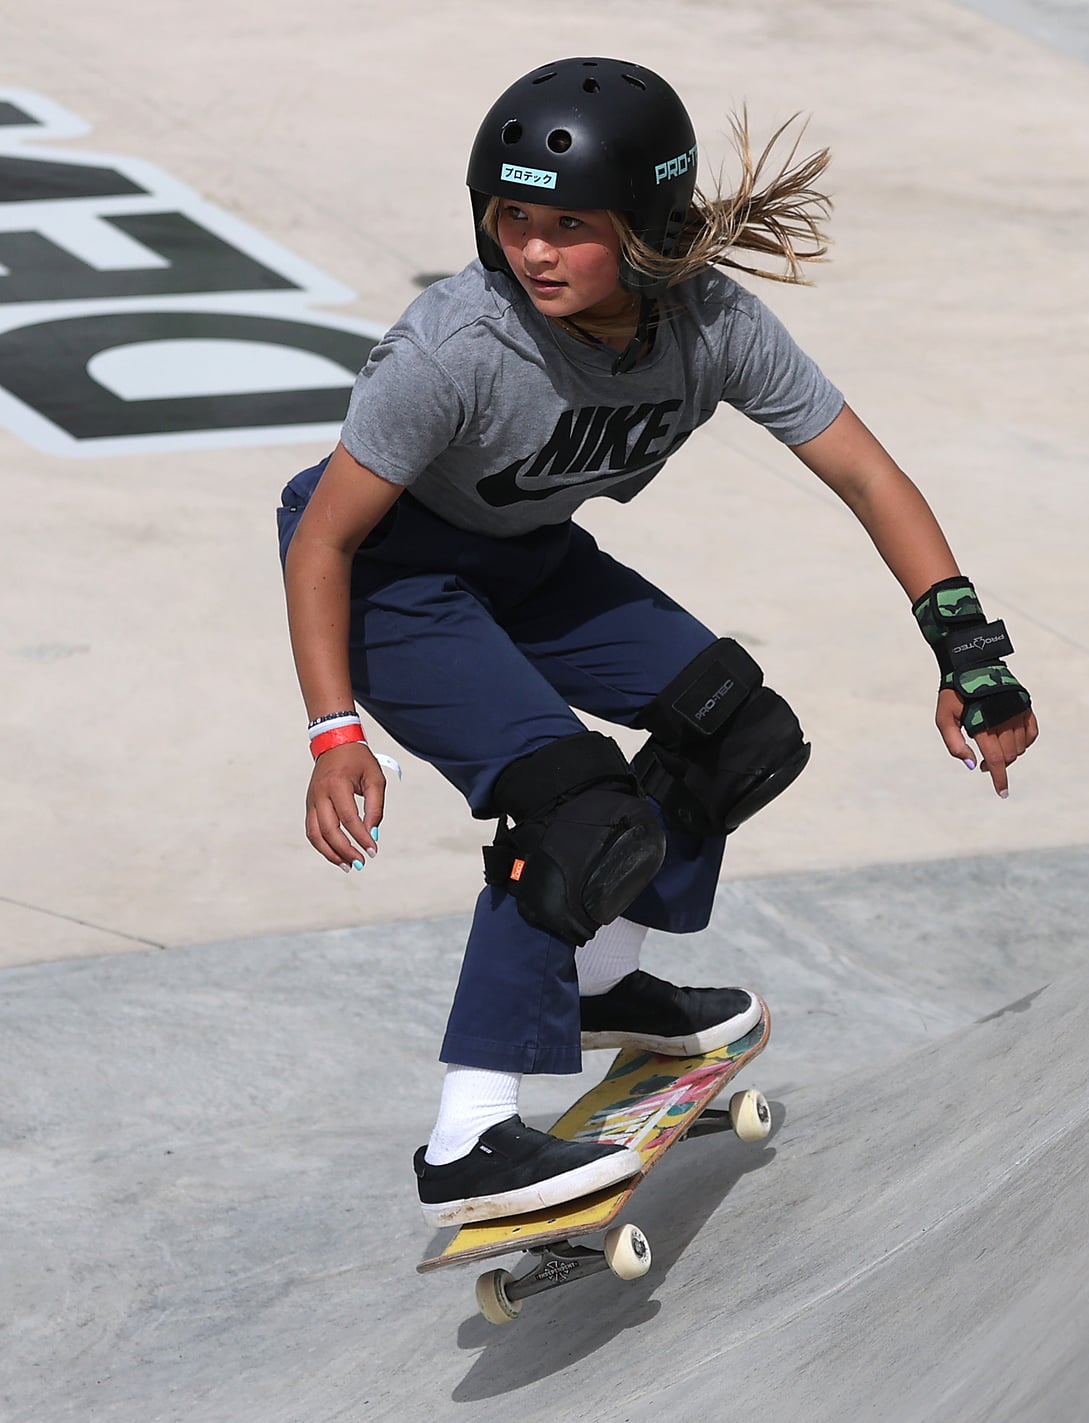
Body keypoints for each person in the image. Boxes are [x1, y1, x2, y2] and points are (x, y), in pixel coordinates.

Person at [276, 57, 1038, 1228]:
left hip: (528, 560)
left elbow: (864, 472)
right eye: (512, 216)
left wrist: (968, 654)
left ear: (646, 231)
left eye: (568, 226)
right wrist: (333, 732)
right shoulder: (452, 347)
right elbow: (324, 542)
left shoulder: (714, 326)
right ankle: (467, 1132)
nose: (532, 250)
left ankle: (590, 983)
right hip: (391, 576)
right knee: (576, 807)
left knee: (736, 730)